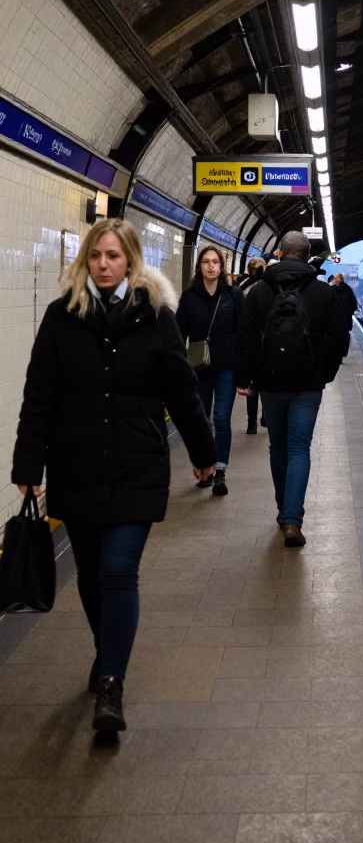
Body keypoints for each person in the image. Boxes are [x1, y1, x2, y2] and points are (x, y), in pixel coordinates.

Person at [11, 219, 215, 732]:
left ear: (132, 262)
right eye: (96, 256)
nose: (104, 264)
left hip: (136, 465)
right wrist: (26, 464)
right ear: (86, 259)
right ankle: (108, 653)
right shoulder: (62, 318)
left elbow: (181, 391)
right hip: (76, 464)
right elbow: (39, 395)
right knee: (91, 579)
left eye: (114, 256)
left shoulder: (156, 318)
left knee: (118, 569)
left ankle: (111, 685)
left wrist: (203, 450)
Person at [235, 231, 349, 546]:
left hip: (269, 381)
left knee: (278, 447)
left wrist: (243, 378)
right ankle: (292, 521)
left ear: (281, 253)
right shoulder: (324, 292)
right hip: (308, 383)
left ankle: (282, 509)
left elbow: (245, 338)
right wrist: (325, 374)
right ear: (307, 253)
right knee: (300, 448)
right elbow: (340, 337)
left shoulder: (259, 291)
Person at [176, 246, 243, 497]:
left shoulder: (233, 296)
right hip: (198, 370)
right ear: (199, 266)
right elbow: (177, 333)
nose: (211, 266)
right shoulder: (189, 298)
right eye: (206, 261)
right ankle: (204, 466)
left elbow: (243, 331)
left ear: (222, 266)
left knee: (221, 418)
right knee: (202, 420)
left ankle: (221, 472)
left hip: (226, 368)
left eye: (215, 262)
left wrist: (243, 366)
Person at [238, 257, 266, 434]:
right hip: (264, 340)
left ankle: (251, 423)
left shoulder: (240, 286)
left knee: (252, 384)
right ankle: (265, 417)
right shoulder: (267, 287)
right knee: (264, 382)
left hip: (248, 339)